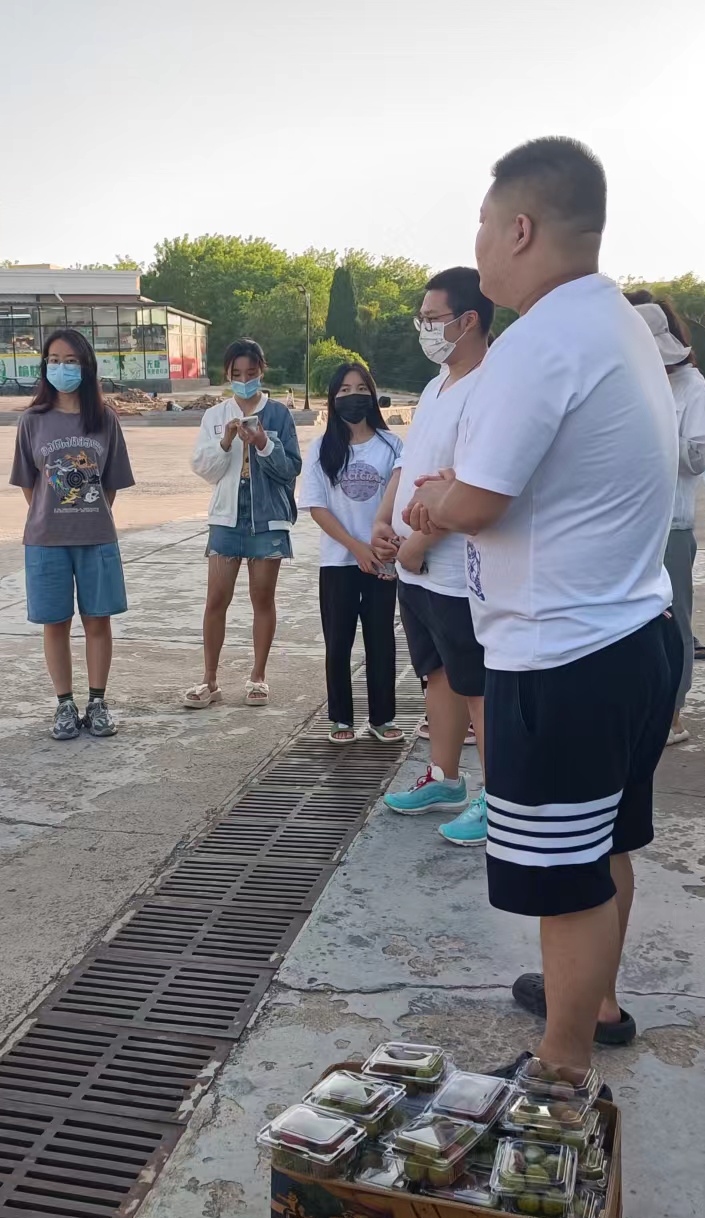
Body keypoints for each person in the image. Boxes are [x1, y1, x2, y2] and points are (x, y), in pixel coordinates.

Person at [407, 137, 679, 1067]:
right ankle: (595, 1003)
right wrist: (457, 489)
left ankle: (562, 1067)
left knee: (564, 881)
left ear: (520, 229)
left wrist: (435, 500)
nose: (479, 244)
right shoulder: (616, 321)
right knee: (603, 847)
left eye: (484, 225)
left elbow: (478, 501)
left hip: (560, 656)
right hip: (630, 632)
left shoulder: (538, 343)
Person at [375, 267, 493, 845]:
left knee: (478, 687)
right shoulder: (437, 384)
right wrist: (383, 520)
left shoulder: (490, 387)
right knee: (437, 673)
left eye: (431, 318)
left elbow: (474, 480)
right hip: (414, 566)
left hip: (451, 568)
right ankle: (445, 777)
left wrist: (420, 542)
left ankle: (500, 798)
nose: (423, 328)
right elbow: (410, 462)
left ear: (468, 320)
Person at [10, 327, 136, 740]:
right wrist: (52, 514)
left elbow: (111, 482)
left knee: (98, 621)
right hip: (46, 541)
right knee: (55, 623)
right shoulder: (32, 421)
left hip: (96, 538)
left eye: (70, 361)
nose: (61, 368)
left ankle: (97, 702)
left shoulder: (105, 420)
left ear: (86, 367)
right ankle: (64, 704)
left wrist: (89, 515)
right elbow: (29, 484)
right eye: (54, 360)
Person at [185, 338, 302, 708]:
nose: (245, 380)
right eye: (237, 374)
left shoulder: (279, 414)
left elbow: (290, 469)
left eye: (251, 373)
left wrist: (263, 442)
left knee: (262, 597)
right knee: (216, 598)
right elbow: (206, 470)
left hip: (268, 517)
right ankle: (210, 680)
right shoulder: (215, 415)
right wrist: (225, 442)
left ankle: (258, 677)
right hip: (227, 516)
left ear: (261, 371)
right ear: (227, 374)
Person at [628, 294, 705, 745]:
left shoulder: (691, 388)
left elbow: (697, 457)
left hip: (671, 526)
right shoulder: (627, 385)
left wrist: (652, 431)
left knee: (673, 622)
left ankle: (672, 715)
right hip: (628, 525)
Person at [301, 362, 403, 744]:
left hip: (382, 562)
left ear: (372, 396)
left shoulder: (393, 446)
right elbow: (317, 507)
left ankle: (383, 718)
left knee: (381, 641)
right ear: (332, 399)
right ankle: (341, 718)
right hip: (338, 561)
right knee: (338, 642)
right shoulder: (321, 448)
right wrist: (355, 546)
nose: (353, 396)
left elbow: (400, 499)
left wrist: (380, 548)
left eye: (361, 389)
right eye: (344, 390)